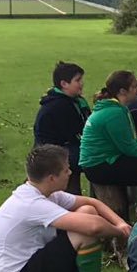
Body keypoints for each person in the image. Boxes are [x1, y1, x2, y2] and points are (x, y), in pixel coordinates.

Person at [0, 145, 132, 272]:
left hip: (27, 271)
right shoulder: (31, 203)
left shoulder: (42, 192)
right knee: (85, 233)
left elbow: (90, 202)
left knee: (86, 210)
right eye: (65, 170)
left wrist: (121, 223)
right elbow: (94, 227)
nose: (70, 172)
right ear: (51, 178)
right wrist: (121, 233)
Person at [79, 70, 137, 214]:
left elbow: (135, 140)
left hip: (107, 160)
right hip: (99, 166)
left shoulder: (117, 109)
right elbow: (129, 147)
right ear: (123, 91)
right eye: (135, 87)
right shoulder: (114, 113)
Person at [33, 61, 91, 195]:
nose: (82, 83)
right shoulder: (60, 106)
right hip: (52, 153)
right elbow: (77, 132)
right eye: (78, 80)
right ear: (64, 84)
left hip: (64, 147)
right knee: (96, 161)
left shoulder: (74, 101)